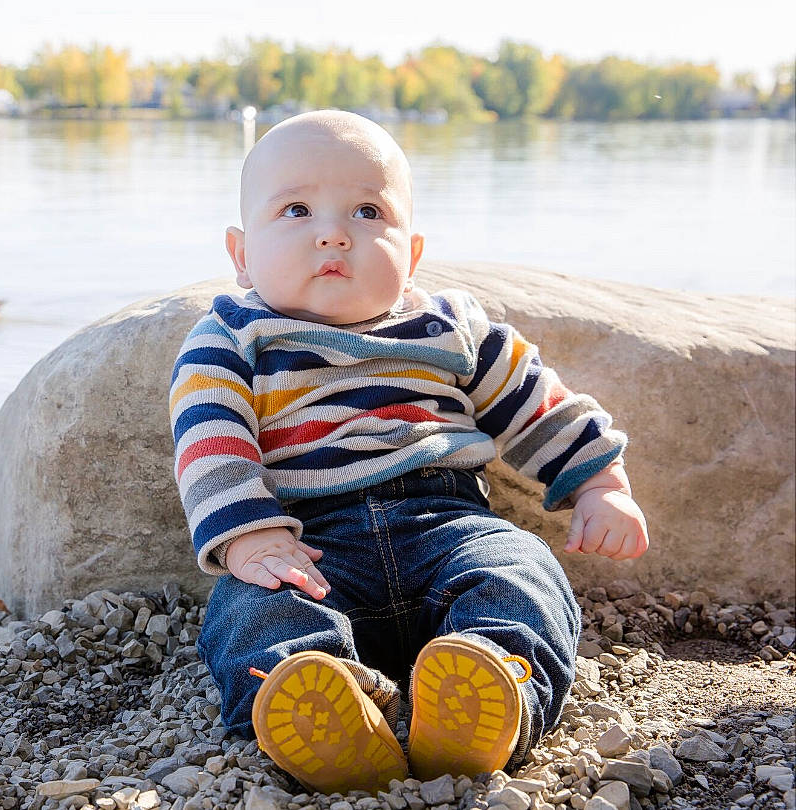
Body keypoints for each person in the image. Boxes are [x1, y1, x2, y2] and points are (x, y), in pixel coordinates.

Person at [168, 110, 649, 795]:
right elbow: (209, 436)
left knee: (520, 571)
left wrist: (601, 482)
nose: (333, 233)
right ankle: (323, 702)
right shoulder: (233, 336)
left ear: (413, 253)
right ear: (241, 255)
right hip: (310, 544)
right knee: (255, 609)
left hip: (447, 526)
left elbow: (536, 399)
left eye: (367, 211)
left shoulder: (450, 328)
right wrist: (250, 537)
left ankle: (489, 689)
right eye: (297, 210)